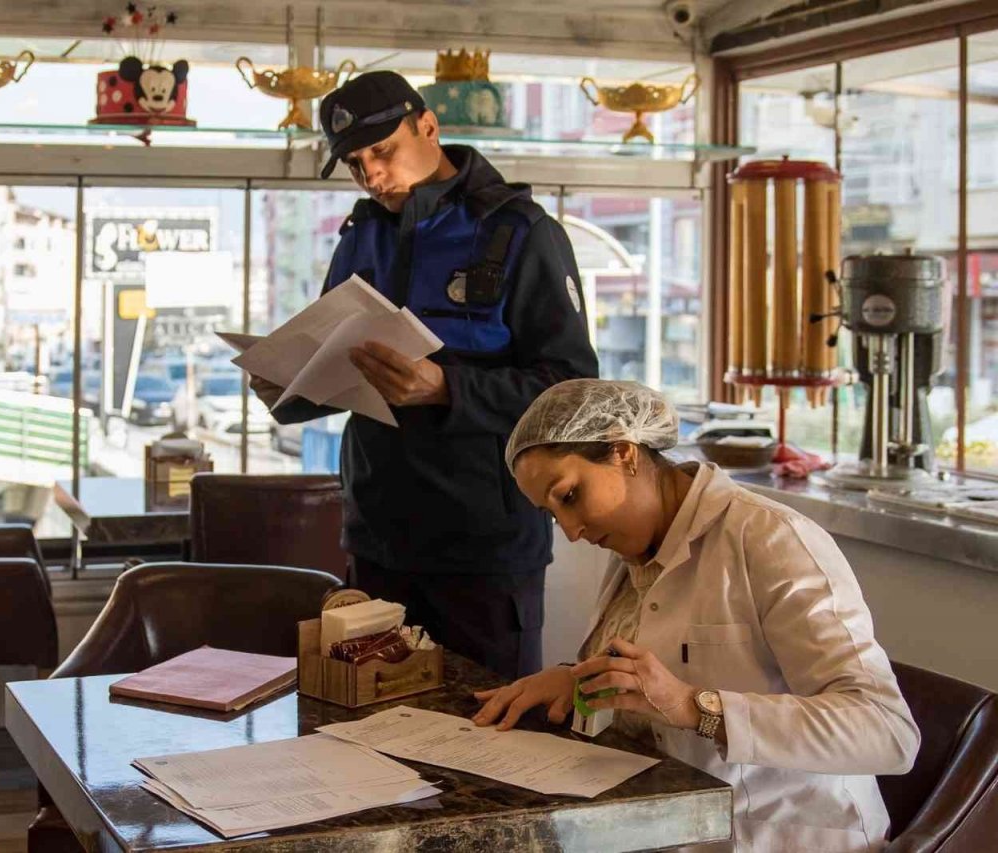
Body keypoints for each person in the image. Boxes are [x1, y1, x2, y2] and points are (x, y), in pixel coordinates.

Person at [472, 379, 920, 850]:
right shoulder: (636, 548)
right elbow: (654, 676)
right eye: (550, 514)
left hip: (779, 835)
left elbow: (886, 731)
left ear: (624, 453)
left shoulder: (772, 540)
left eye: (568, 496)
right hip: (672, 825)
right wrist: (580, 680)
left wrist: (694, 707)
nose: (570, 530)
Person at [253, 71, 597, 679]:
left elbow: (572, 391)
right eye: (355, 164)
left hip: (484, 547)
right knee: (368, 725)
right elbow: (342, 368)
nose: (372, 175)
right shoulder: (360, 238)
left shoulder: (521, 232)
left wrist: (446, 388)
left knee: (490, 723)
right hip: (378, 539)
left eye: (382, 151)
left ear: (429, 126)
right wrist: (290, 386)